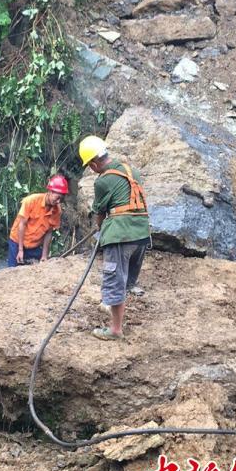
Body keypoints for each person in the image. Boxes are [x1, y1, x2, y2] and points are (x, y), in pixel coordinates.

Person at [79, 136, 150, 340]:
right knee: (125, 278)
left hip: (120, 234)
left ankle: (116, 330)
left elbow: (100, 212)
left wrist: (102, 230)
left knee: (114, 279)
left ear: (93, 163)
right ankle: (113, 306)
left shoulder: (102, 181)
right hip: (141, 233)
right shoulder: (131, 170)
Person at [7, 175, 69, 267]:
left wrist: (44, 256)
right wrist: (20, 250)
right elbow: (22, 224)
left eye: (61, 199)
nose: (58, 201)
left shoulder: (57, 211)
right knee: (12, 269)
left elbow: (49, 233)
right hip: (17, 242)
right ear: (50, 191)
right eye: (57, 197)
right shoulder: (31, 201)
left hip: (33, 245)